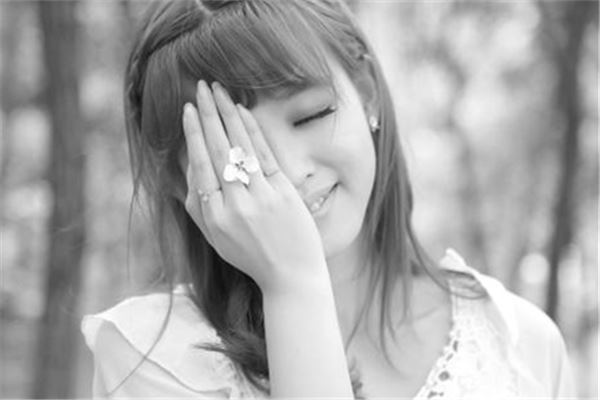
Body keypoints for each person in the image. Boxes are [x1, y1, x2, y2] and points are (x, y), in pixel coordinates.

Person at [81, 0, 575, 398]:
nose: (291, 172)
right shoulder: (152, 358)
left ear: (367, 94)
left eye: (311, 115)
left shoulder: (518, 347)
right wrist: (292, 285)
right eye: (236, 149)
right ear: (177, 177)